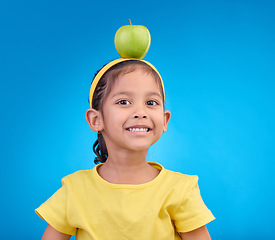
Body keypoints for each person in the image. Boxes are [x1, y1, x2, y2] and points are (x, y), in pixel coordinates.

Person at [36, 58, 215, 240]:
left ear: (164, 120)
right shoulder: (74, 190)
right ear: (96, 120)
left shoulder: (180, 190)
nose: (140, 112)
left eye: (151, 103)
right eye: (123, 102)